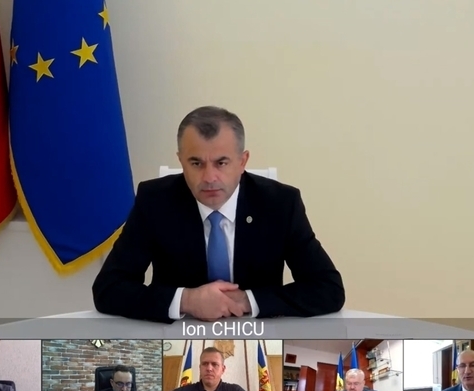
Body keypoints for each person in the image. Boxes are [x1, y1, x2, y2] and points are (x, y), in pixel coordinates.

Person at [93, 105, 345, 323]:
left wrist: (247, 300)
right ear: (181, 161)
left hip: (258, 333)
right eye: (196, 163)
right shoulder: (154, 201)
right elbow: (108, 289)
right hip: (176, 333)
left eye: (221, 163)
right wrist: (187, 300)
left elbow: (328, 289)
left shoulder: (280, 203)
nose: (209, 177)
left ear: (242, 161)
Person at [162, 347, 254, 391]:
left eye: (214, 364)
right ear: (200, 368)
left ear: (223, 369)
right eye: (205, 364)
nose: (209, 368)